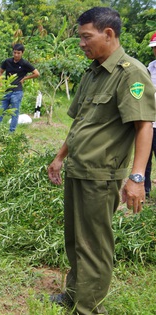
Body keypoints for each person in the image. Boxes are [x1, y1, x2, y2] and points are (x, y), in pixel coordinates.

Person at [47, 7, 156, 315]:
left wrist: (137, 179)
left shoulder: (130, 72)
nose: (81, 43)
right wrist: (58, 158)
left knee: (94, 244)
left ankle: (89, 308)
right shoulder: (93, 72)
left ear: (108, 34)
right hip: (78, 169)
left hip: (102, 174)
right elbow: (81, 122)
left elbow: (144, 126)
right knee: (75, 238)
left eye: (86, 37)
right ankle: (74, 294)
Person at [0, 43, 40, 132]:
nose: (16, 55)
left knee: (14, 113)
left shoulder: (25, 63)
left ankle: (11, 132)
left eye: (18, 53)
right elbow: (0, 72)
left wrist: (25, 78)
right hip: (6, 90)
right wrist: (1, 82)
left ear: (22, 53)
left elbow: (37, 73)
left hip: (17, 91)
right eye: (15, 52)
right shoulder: (7, 61)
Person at [144, 32, 156, 197]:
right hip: (149, 122)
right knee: (145, 159)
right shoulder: (149, 67)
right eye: (154, 48)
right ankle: (145, 190)